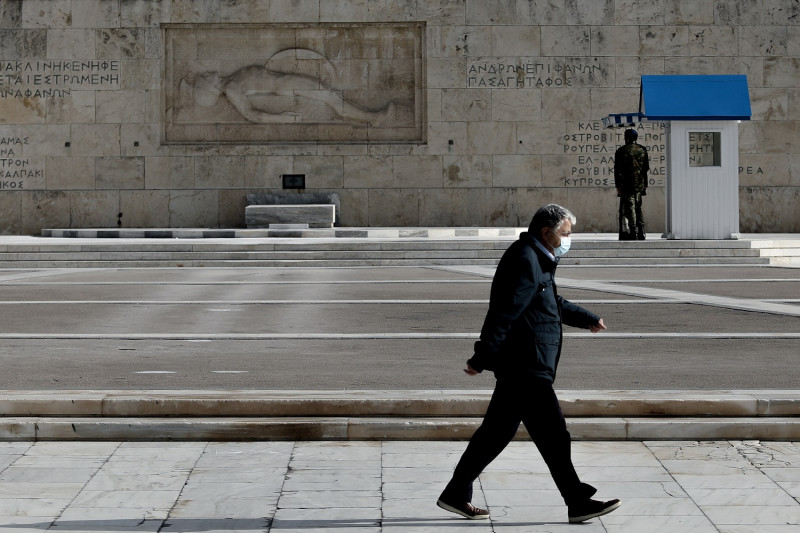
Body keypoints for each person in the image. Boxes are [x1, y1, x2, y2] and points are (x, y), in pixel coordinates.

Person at [436, 204, 621, 524]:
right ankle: (576, 500)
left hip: (524, 362)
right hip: (525, 362)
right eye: (565, 234)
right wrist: (482, 357)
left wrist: (586, 318)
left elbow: (549, 303)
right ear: (546, 233)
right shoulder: (526, 260)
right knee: (553, 435)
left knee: (496, 434)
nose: (568, 240)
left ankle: (455, 493)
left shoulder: (536, 259)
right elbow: (505, 312)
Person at [614, 128, 650, 240]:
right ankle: (641, 231)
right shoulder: (642, 150)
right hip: (639, 183)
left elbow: (618, 170)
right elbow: (645, 169)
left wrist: (618, 186)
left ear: (628, 138)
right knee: (638, 207)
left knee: (630, 208)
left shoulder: (622, 151)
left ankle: (633, 231)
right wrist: (645, 183)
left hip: (626, 185)